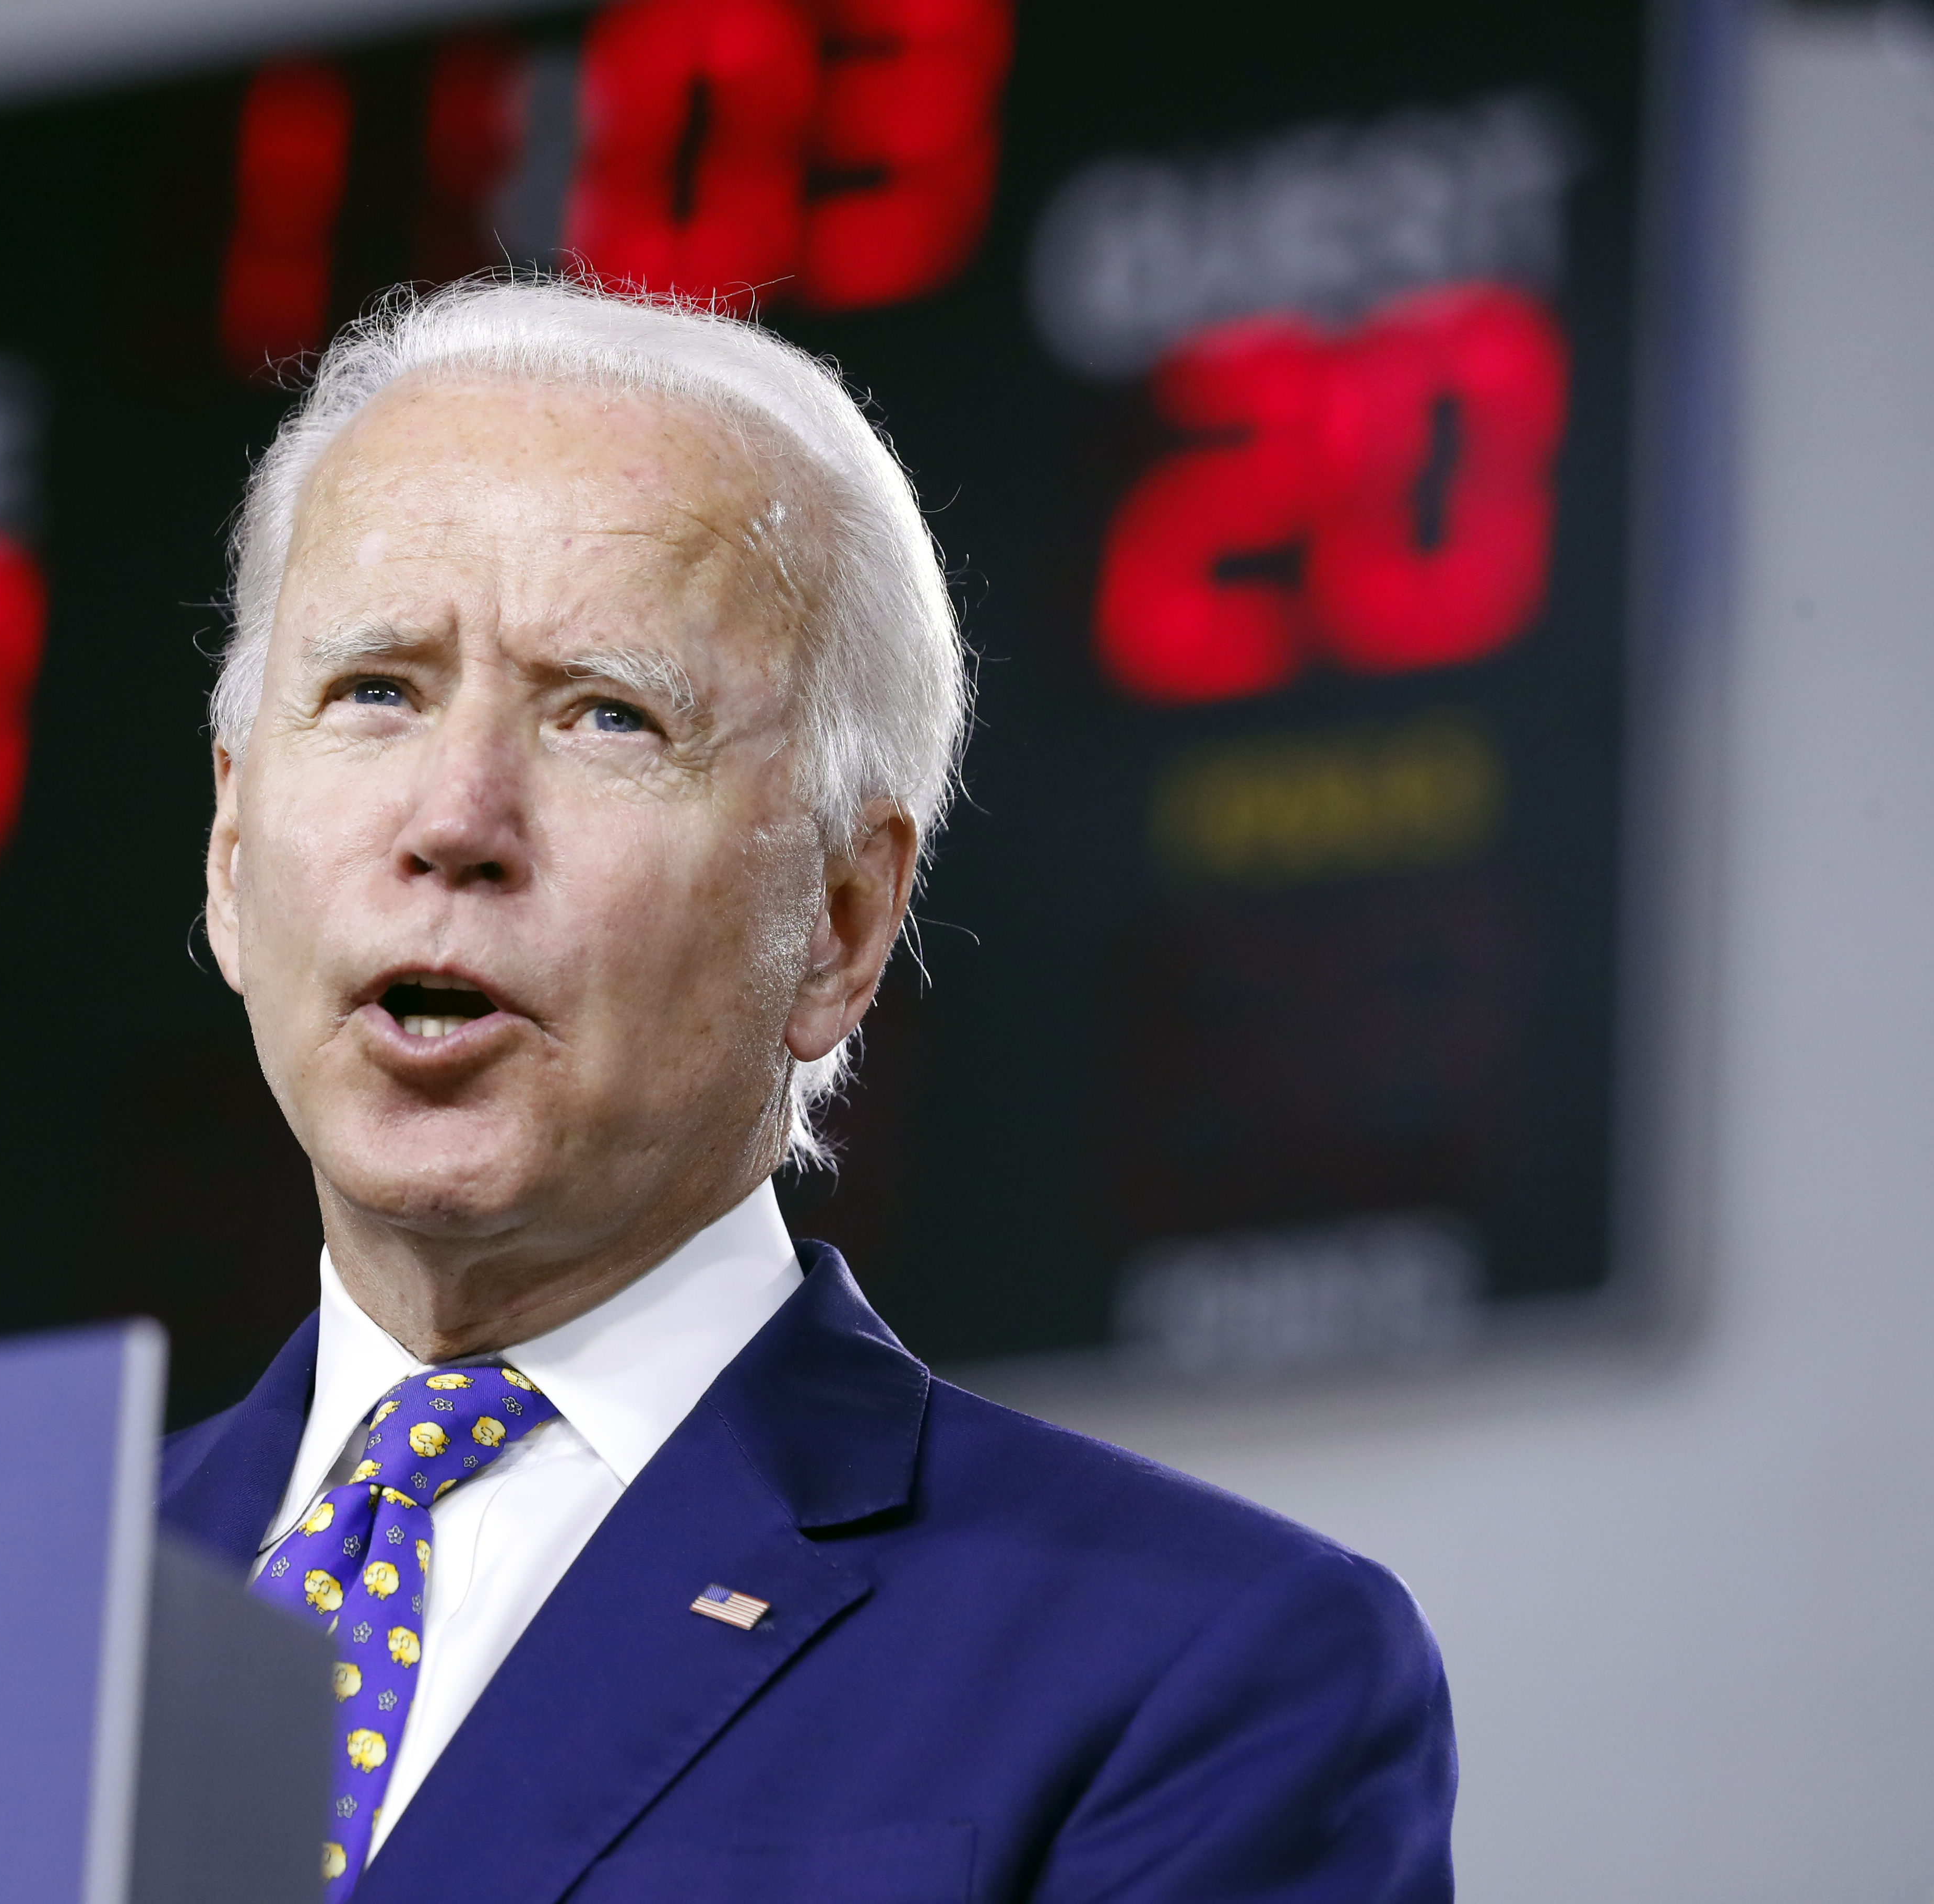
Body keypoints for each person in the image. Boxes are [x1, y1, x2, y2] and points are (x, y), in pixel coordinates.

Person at [159, 278, 1455, 1903]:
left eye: (607, 716)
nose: (456, 817)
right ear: (229, 848)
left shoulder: (1199, 1675)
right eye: (375, 692)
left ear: (841, 922)